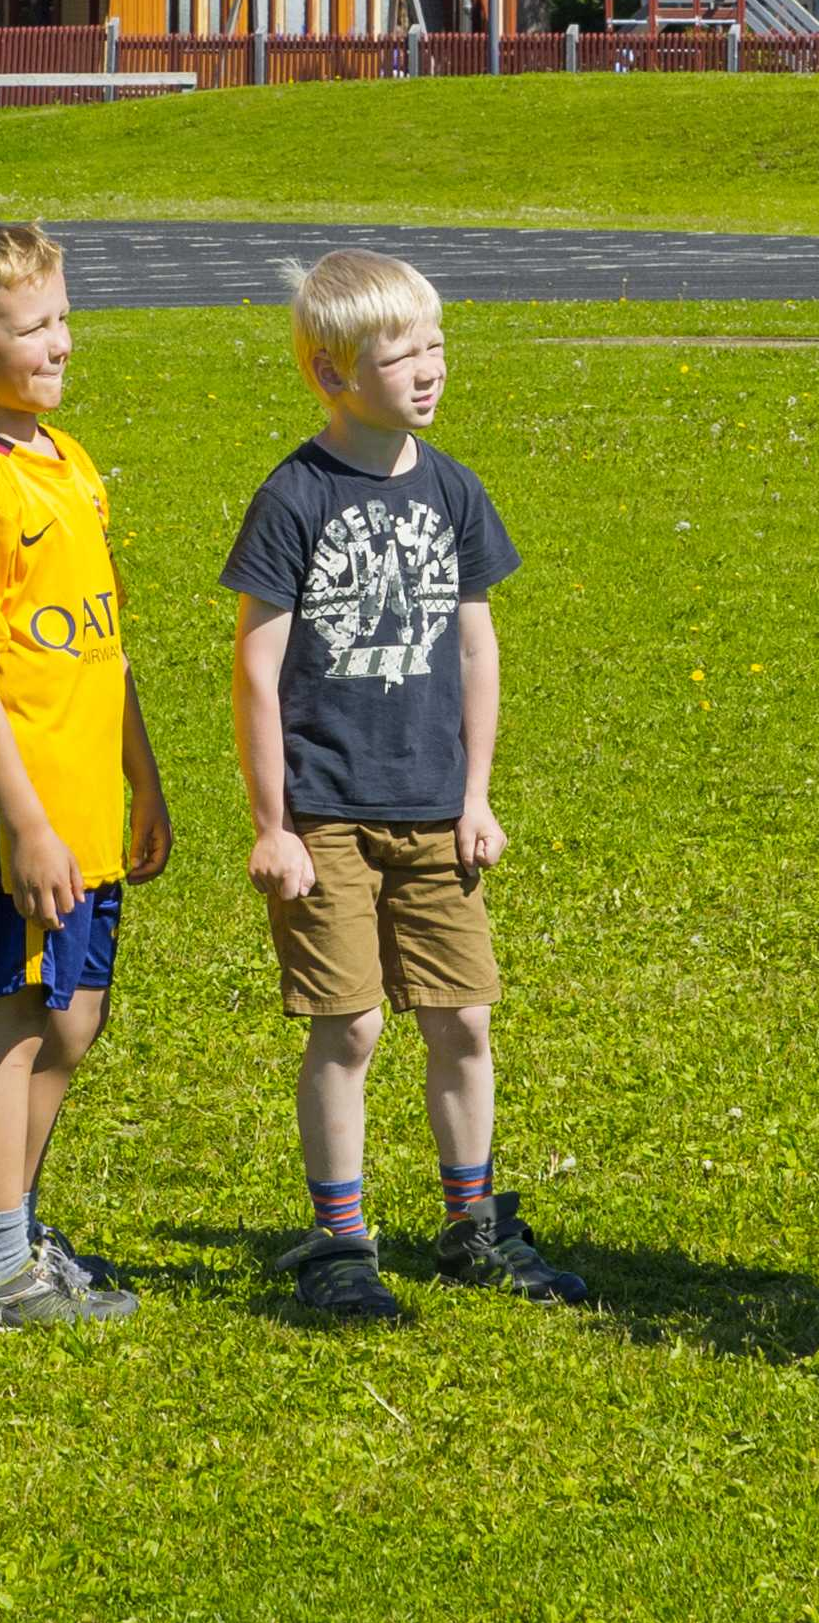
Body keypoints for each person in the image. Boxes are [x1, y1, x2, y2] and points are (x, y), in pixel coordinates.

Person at [221, 249, 583, 1325]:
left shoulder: (452, 486)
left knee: (462, 1017)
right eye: (401, 350)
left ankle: (470, 1220)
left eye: (434, 342)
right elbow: (254, 666)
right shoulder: (294, 494)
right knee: (351, 1026)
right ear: (332, 373)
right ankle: (340, 1239)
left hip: (435, 809)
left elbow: (477, 648)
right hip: (326, 811)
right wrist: (271, 823)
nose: (428, 366)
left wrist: (477, 796)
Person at [0, 220, 172, 1331]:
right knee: (12, 1019)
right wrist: (23, 822)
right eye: (32, 326)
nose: (61, 341)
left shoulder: (67, 458)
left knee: (74, 1017)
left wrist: (142, 778)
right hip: (20, 812)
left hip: (91, 803)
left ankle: (15, 1220)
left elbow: (104, 647)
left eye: (63, 316)